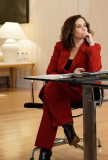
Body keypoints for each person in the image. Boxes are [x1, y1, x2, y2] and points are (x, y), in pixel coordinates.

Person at [34, 15, 102, 160]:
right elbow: (50, 72)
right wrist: (71, 73)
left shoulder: (93, 47)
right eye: (79, 26)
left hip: (81, 91)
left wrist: (91, 44)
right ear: (71, 30)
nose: (84, 29)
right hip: (59, 91)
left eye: (85, 25)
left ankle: (47, 149)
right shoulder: (60, 46)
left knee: (50, 97)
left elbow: (95, 70)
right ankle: (68, 128)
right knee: (52, 88)